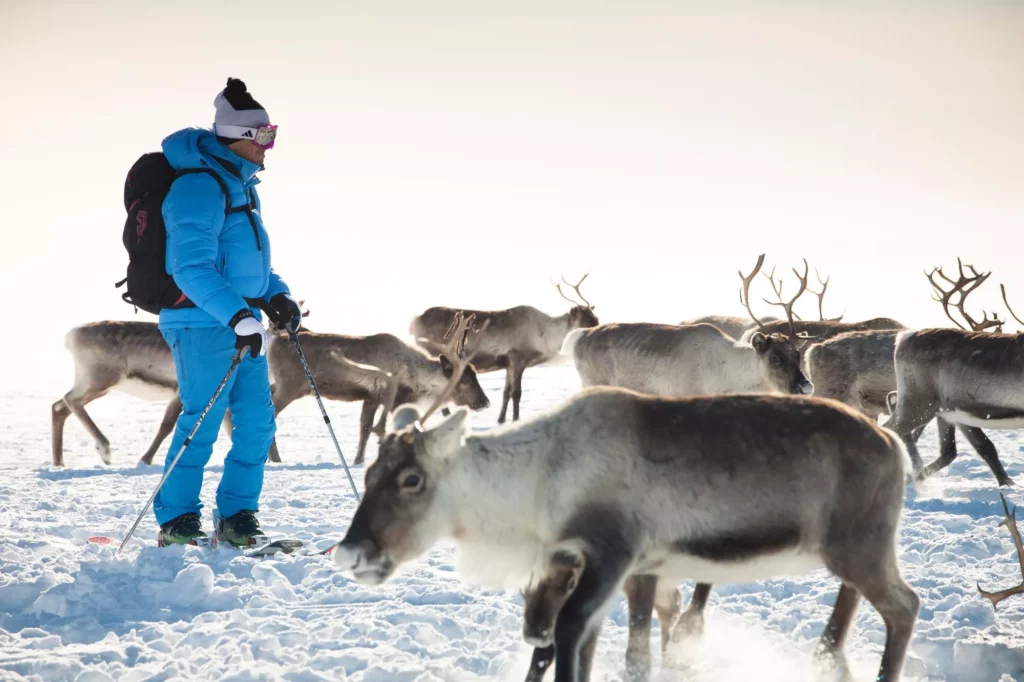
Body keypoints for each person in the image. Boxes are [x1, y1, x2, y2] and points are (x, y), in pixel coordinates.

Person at [154, 77, 302, 547]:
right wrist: (238, 316)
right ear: (235, 136)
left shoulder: (241, 186)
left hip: (243, 324)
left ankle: (237, 517)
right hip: (201, 322)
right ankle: (177, 521)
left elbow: (248, 264)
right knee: (200, 421)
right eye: (263, 136)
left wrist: (277, 295)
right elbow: (189, 267)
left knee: (257, 423)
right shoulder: (198, 186)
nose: (269, 146)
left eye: (272, 134)